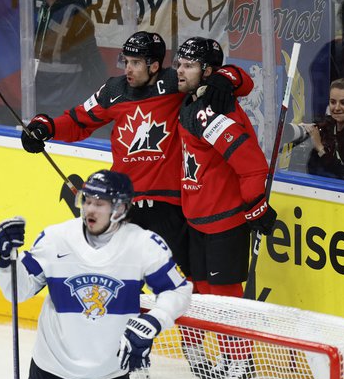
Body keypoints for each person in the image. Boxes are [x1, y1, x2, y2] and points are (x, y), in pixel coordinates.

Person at [20, 31, 253, 279]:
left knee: (184, 281)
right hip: (124, 204)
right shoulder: (113, 90)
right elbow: (78, 120)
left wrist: (226, 77)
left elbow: (242, 83)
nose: (128, 69)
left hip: (168, 206)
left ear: (154, 65)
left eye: (136, 63)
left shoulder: (176, 84)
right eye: (125, 61)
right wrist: (46, 127)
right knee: (112, 277)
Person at [0, 169, 193, 379]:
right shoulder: (55, 239)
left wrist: (154, 320)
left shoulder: (143, 245)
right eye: (87, 200)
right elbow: (19, 290)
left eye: (99, 203)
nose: (89, 209)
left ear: (119, 208)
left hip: (111, 374)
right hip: (52, 370)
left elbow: (178, 291)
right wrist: (3, 262)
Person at [174, 37, 276, 379]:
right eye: (179, 63)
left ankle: (240, 365)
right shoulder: (193, 99)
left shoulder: (212, 111)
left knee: (225, 296)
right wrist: (230, 77)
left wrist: (256, 205)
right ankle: (215, 355)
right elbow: (241, 79)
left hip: (225, 219)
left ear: (207, 71)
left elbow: (251, 166)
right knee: (200, 290)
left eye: (187, 65)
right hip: (196, 216)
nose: (179, 70)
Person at [33, 0, 107, 117]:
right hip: (37, 99)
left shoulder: (75, 14)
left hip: (62, 102)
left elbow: (92, 59)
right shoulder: (41, 8)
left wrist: (106, 92)